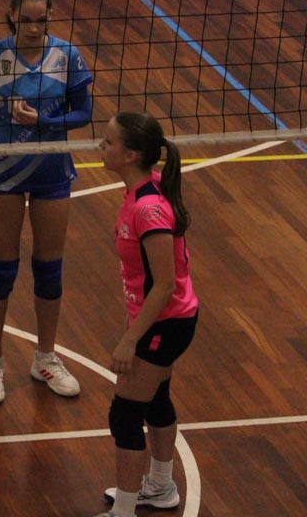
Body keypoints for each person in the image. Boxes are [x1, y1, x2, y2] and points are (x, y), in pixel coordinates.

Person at [0, 0, 92, 404]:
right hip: (3, 174)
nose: (34, 28)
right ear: (12, 16)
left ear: (50, 15)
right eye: (26, 21)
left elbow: (84, 113)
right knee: (2, 269)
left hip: (52, 173)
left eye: (41, 20)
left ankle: (45, 358)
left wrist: (44, 121)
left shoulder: (67, 56)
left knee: (49, 269)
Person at [95, 112, 197, 517]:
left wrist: (130, 338)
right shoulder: (143, 189)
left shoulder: (148, 209)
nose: (101, 146)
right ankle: (160, 486)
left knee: (125, 413)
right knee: (155, 399)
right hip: (165, 319)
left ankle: (123, 511)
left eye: (108, 142)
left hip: (165, 322)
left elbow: (164, 285)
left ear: (131, 155)